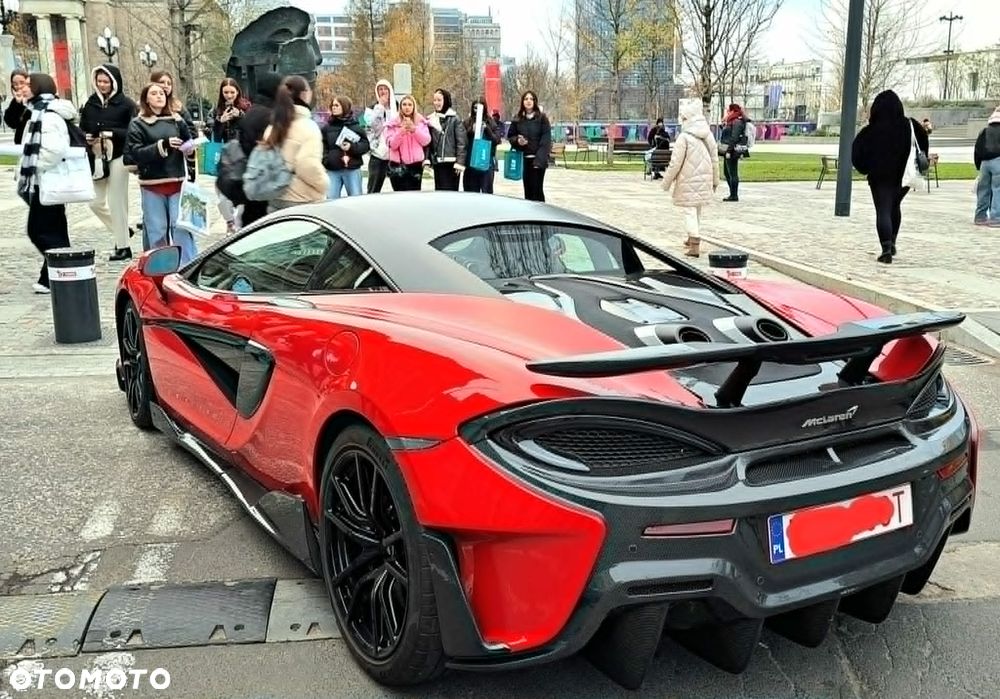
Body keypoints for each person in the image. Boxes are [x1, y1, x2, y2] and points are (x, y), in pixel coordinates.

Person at [123, 82, 197, 265]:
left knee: (180, 227)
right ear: (146, 99)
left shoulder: (177, 120)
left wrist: (189, 150)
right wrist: (161, 145)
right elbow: (135, 153)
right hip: (152, 184)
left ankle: (186, 266)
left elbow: (189, 142)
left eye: (162, 93)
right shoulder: (138, 124)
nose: (159, 96)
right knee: (157, 230)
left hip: (177, 181)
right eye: (154, 93)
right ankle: (160, 269)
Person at [851, 89, 929, 264]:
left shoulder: (870, 131)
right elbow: (923, 143)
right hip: (904, 176)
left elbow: (857, 155)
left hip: (879, 178)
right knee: (895, 206)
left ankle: (886, 247)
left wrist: (866, 168)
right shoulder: (911, 125)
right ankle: (892, 241)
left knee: (883, 209)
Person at [16, 73, 75, 293]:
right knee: (55, 230)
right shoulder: (38, 111)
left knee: (38, 230)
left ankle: (66, 265)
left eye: (28, 85)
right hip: (42, 181)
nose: (24, 88)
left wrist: (34, 166)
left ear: (38, 88)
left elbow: (54, 150)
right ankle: (49, 277)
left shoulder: (47, 115)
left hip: (46, 180)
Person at [80, 63, 137, 261]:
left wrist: (111, 133)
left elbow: (133, 131)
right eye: (99, 81)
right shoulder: (90, 103)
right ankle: (122, 230)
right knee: (95, 202)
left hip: (119, 155)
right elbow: (82, 127)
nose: (102, 85)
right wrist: (87, 137)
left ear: (114, 82)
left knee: (117, 201)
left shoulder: (127, 105)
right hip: (97, 156)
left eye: (106, 81)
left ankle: (123, 246)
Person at [659, 101, 719, 258]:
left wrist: (666, 182)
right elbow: (715, 159)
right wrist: (715, 180)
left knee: (689, 211)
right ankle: (692, 236)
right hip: (705, 178)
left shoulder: (684, 138)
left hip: (688, 179)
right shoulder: (708, 136)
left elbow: (675, 163)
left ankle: (694, 243)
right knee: (697, 209)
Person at [261, 75, 327, 212]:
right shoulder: (308, 127)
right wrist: (323, 184)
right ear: (304, 94)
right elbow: (307, 164)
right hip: (302, 200)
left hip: (275, 196)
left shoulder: (272, 127)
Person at [238, 71, 282, 227]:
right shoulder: (269, 116)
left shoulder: (253, 111)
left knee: (251, 218)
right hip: (263, 180)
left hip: (252, 176)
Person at [210, 77, 250, 232]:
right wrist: (220, 121)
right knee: (222, 196)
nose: (229, 95)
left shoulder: (246, 107)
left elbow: (251, 130)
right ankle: (229, 222)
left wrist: (240, 116)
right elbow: (215, 138)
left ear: (237, 92)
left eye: (232, 92)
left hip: (242, 156)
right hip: (225, 158)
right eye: (225, 92)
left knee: (241, 194)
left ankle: (239, 224)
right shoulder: (217, 110)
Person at [506, 90, 551, 201]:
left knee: (537, 190)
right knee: (528, 190)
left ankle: (541, 215)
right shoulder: (518, 119)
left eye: (531, 99)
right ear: (522, 102)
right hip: (524, 160)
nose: (528, 101)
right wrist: (518, 141)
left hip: (538, 160)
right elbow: (511, 136)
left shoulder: (542, 119)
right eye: (526, 99)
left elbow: (546, 141)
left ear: (535, 101)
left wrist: (539, 161)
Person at [322, 95, 369, 198]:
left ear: (344, 106)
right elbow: (323, 146)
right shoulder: (327, 128)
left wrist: (352, 147)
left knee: (355, 199)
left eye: (337, 105)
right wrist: (326, 160)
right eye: (332, 105)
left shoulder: (356, 127)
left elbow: (365, 145)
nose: (334, 107)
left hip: (352, 169)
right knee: (331, 200)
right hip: (333, 170)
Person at [385, 95, 431, 191]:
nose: (407, 107)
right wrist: (401, 131)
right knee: (399, 195)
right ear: (400, 107)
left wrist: (414, 130)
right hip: (397, 166)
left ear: (414, 107)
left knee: (414, 195)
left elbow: (426, 141)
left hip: (416, 165)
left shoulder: (421, 122)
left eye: (410, 105)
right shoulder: (393, 123)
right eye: (404, 104)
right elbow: (392, 145)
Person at [427, 88, 466, 191]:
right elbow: (428, 142)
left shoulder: (455, 119)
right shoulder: (431, 119)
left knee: (450, 194)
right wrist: (428, 158)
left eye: (439, 100)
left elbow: (461, 142)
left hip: (452, 163)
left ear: (446, 100)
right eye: (435, 100)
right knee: (439, 191)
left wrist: (460, 162)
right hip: (438, 162)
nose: (436, 103)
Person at [461, 99, 500, 193]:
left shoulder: (491, 122)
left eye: (480, 108)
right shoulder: (467, 122)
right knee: (471, 194)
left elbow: (497, 140)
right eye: (475, 108)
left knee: (487, 193)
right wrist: (471, 131)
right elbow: (461, 140)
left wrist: (487, 129)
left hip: (486, 164)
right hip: (471, 164)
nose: (477, 110)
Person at [365, 79, 396, 193]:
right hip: (377, 154)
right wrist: (380, 107)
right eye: (380, 89)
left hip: (394, 154)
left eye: (385, 89)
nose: (383, 92)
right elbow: (369, 125)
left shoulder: (397, 107)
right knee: (374, 187)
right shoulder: (371, 108)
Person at [973, 106, 1000, 226]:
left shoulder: (984, 131)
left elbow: (977, 149)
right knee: (997, 189)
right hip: (998, 161)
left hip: (984, 163)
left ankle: (980, 216)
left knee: (983, 191)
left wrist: (978, 165)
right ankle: (996, 217)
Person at [718, 103, 748, 201]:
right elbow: (728, 133)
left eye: (728, 110)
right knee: (727, 172)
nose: (726, 112)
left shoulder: (737, 121)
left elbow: (734, 137)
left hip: (732, 150)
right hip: (728, 148)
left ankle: (734, 195)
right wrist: (723, 124)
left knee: (732, 172)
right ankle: (732, 193)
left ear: (732, 111)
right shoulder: (731, 121)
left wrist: (729, 151)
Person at [5, 69, 30, 144]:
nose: (19, 86)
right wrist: (18, 103)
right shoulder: (15, 102)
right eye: (15, 84)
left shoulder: (34, 99)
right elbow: (12, 124)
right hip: (20, 144)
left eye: (22, 82)